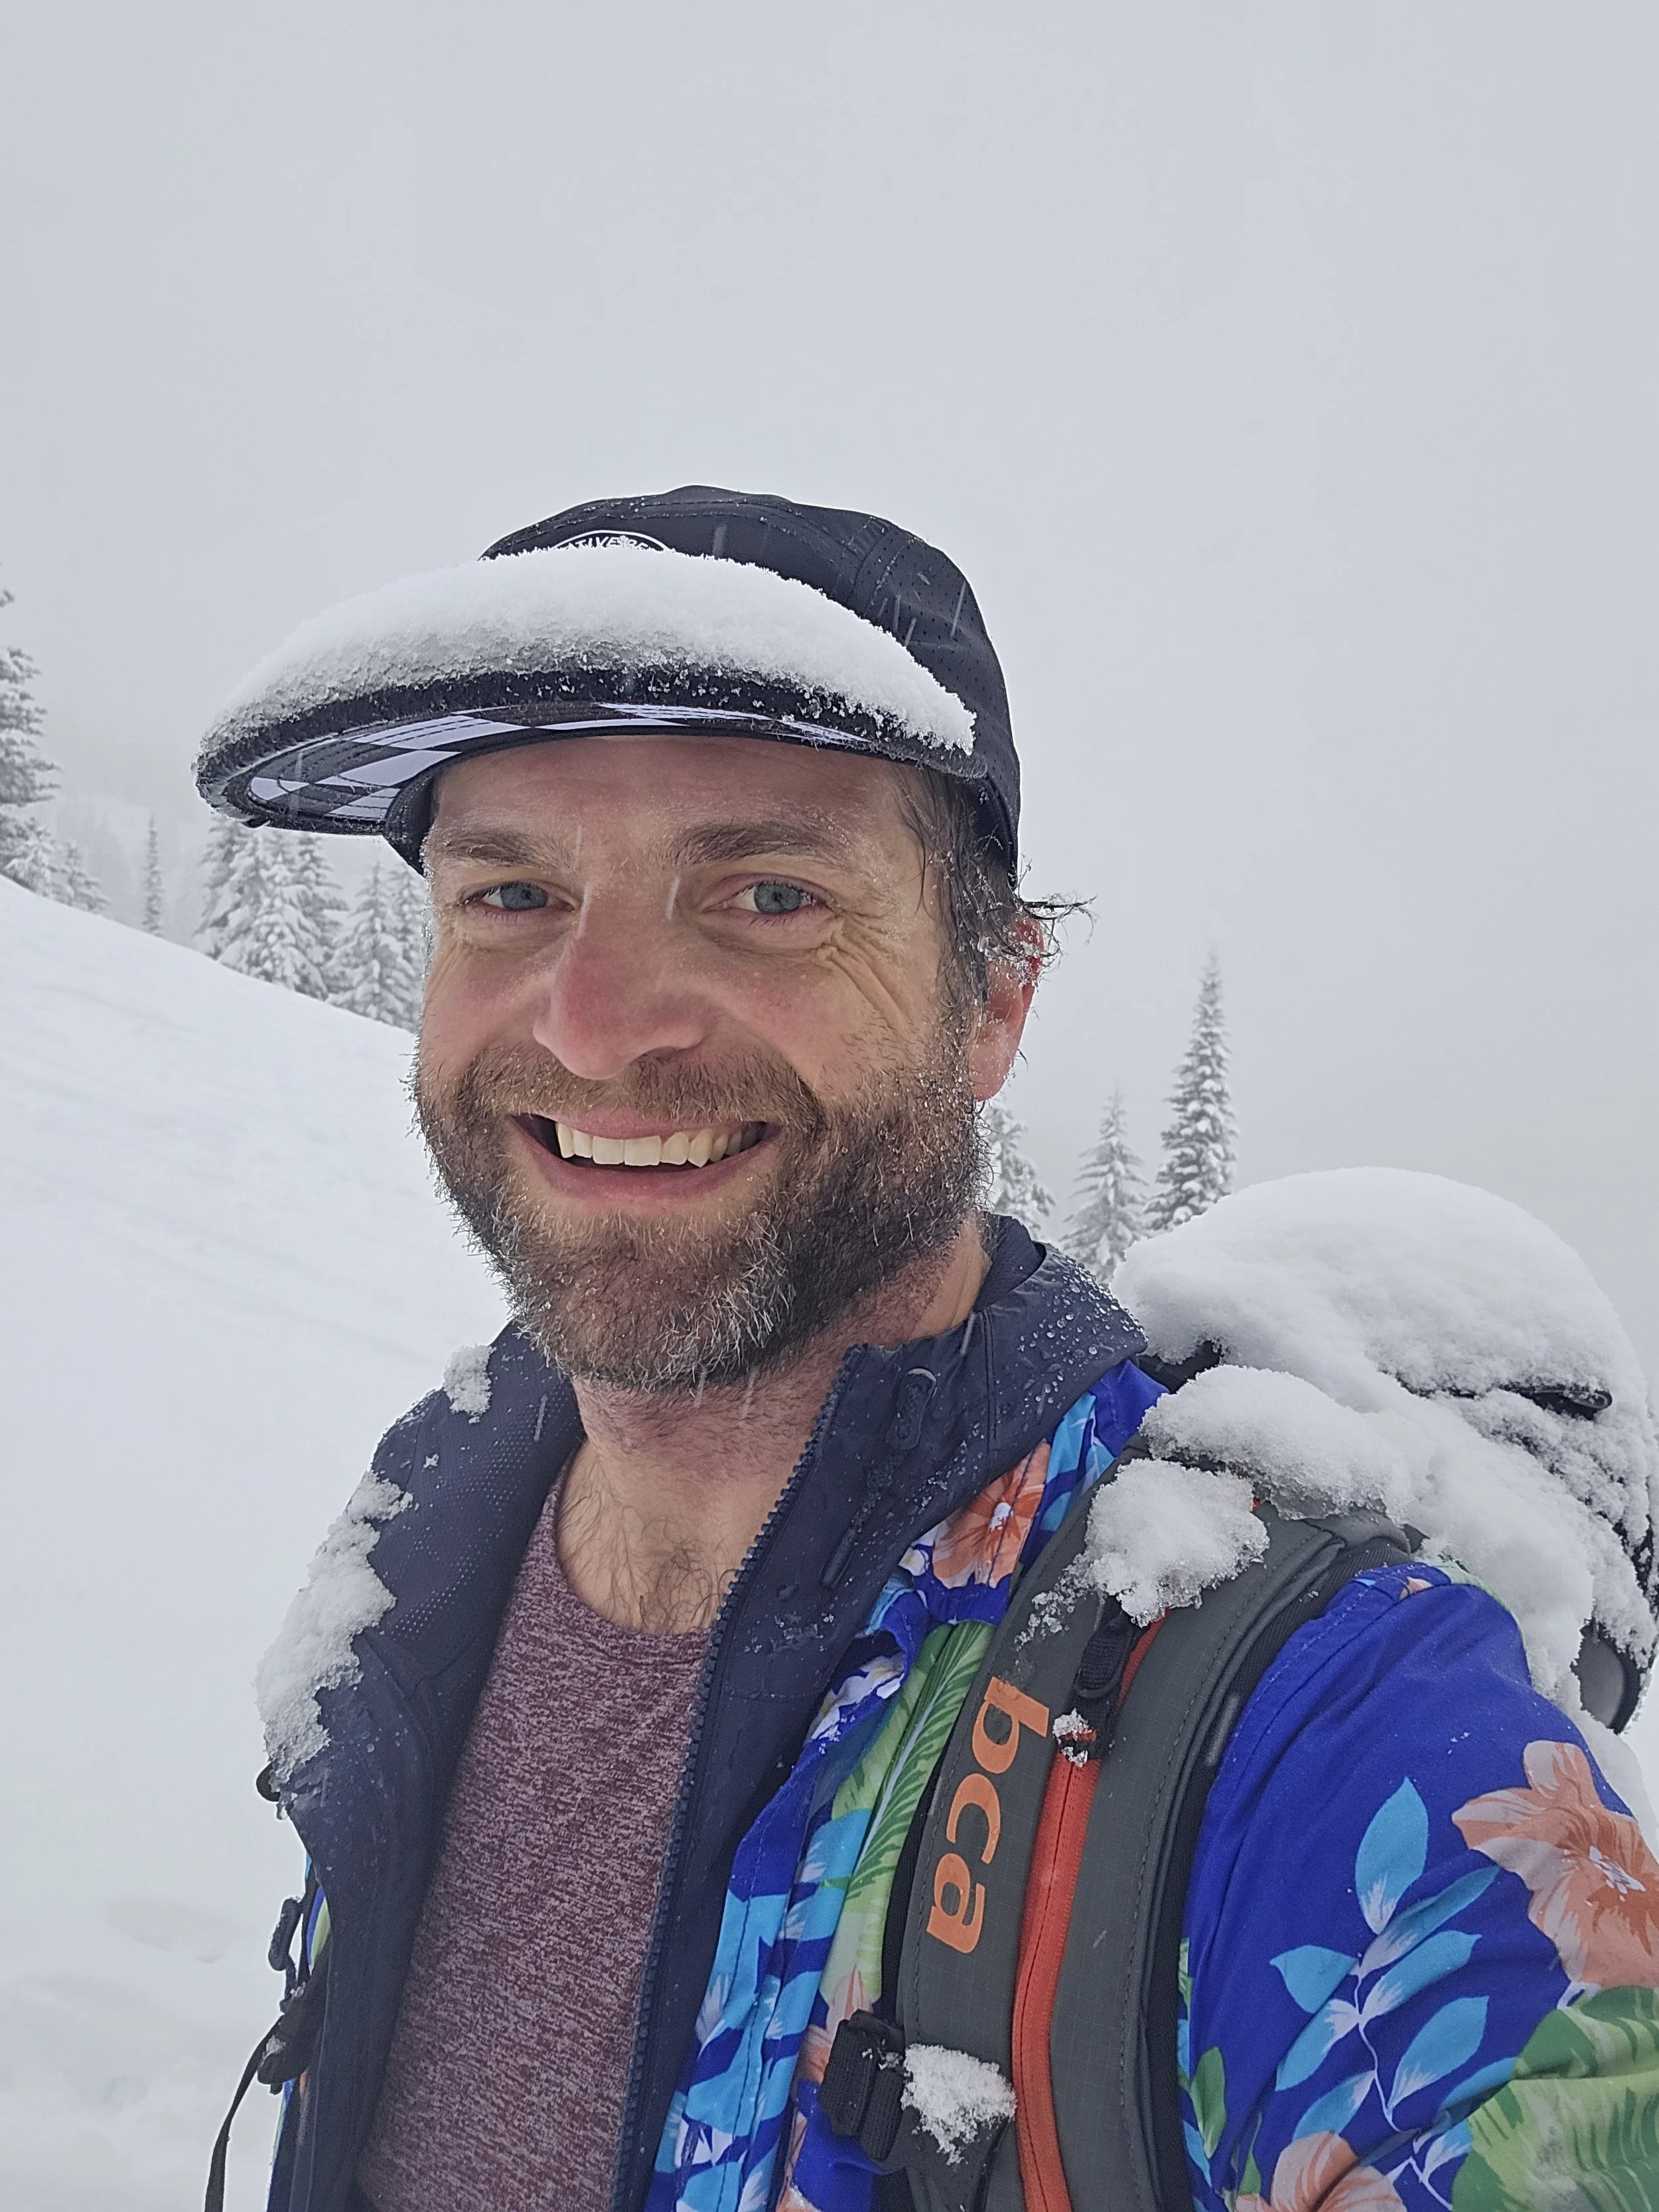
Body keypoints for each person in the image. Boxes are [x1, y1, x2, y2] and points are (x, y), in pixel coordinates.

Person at [197, 487, 1659, 2212]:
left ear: (994, 994)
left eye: (762, 891)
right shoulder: (426, 1530)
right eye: (509, 890)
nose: (590, 1025)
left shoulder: (1319, 1717)